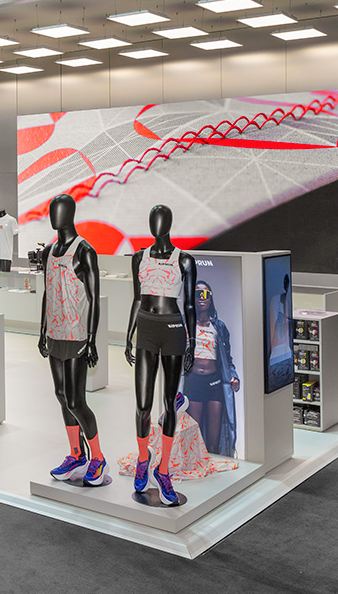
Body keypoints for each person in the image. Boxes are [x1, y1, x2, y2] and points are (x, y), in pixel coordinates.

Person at [126, 204, 196, 507]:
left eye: (161, 219)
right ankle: (144, 458)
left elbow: (189, 304)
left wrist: (192, 341)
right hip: (146, 328)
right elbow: (137, 298)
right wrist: (129, 334)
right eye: (153, 219)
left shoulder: (185, 260)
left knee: (169, 404)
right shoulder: (139, 257)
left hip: (173, 330)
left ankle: (163, 469)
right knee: (142, 405)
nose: (156, 224)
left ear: (169, 223)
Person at [39, 194, 109, 488]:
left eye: (60, 210)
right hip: (54, 333)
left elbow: (93, 298)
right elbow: (48, 291)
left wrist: (91, 339)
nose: (54, 215)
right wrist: (42, 329)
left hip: (76, 333)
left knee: (76, 400)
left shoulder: (85, 251)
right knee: (60, 394)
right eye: (52, 210)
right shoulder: (48, 252)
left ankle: (98, 458)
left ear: (70, 213)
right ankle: (76, 453)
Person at [186, 281, 240, 456]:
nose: (202, 298)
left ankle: (214, 470)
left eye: (206, 295)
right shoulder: (187, 324)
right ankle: (196, 468)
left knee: (214, 443)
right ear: (192, 298)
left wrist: (234, 377)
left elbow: (227, 359)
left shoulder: (219, 327)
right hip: (193, 382)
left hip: (214, 383)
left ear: (210, 299)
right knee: (194, 439)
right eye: (198, 294)